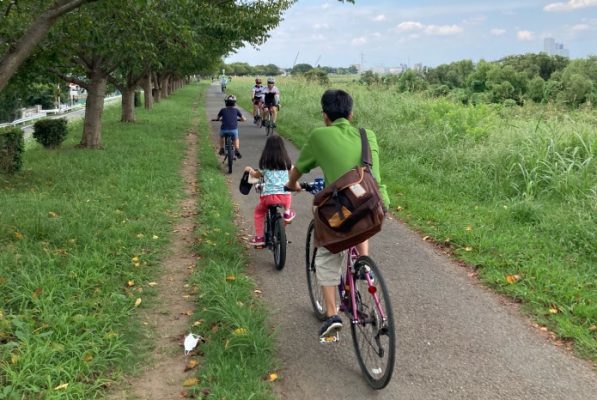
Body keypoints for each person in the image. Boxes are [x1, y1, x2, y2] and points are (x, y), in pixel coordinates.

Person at [286, 89, 389, 339]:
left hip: (343, 211)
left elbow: (298, 170)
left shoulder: (319, 135)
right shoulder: (368, 135)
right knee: (360, 217)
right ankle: (364, 266)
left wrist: (291, 186)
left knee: (325, 254)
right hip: (375, 204)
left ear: (325, 116)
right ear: (351, 114)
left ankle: (332, 315)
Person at [245, 135, 296, 247]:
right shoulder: (286, 162)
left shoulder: (265, 164)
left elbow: (256, 175)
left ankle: (259, 237)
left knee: (259, 212)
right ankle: (287, 212)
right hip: (284, 196)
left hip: (269, 197)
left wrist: (250, 170)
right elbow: (293, 172)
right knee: (288, 192)